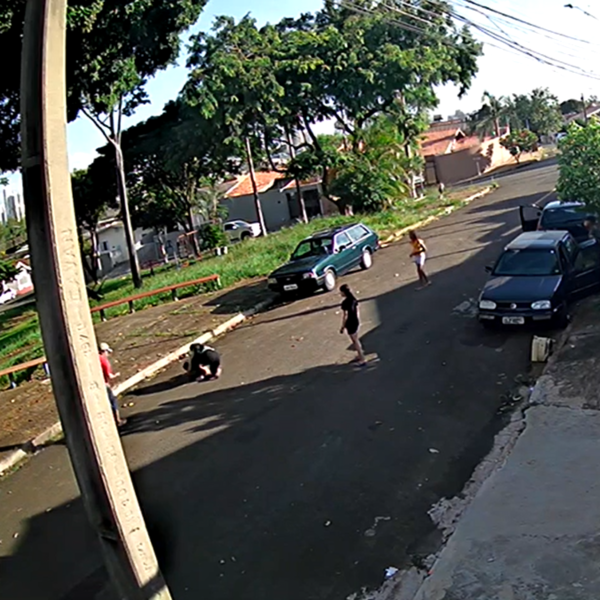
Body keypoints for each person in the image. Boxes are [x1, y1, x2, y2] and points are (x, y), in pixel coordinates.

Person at [98, 342, 126, 427]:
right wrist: (116, 375)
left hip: (98, 385)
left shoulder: (96, 358)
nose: (108, 354)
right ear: (104, 351)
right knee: (112, 401)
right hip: (105, 384)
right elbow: (109, 376)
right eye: (107, 352)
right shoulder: (104, 361)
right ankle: (117, 420)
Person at [339, 284, 367, 366]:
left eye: (341, 292)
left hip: (350, 323)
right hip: (355, 321)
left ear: (344, 292)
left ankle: (362, 359)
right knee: (356, 339)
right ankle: (360, 355)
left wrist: (342, 327)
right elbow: (356, 311)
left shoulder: (345, 303)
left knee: (355, 341)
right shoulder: (353, 299)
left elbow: (345, 316)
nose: (340, 294)